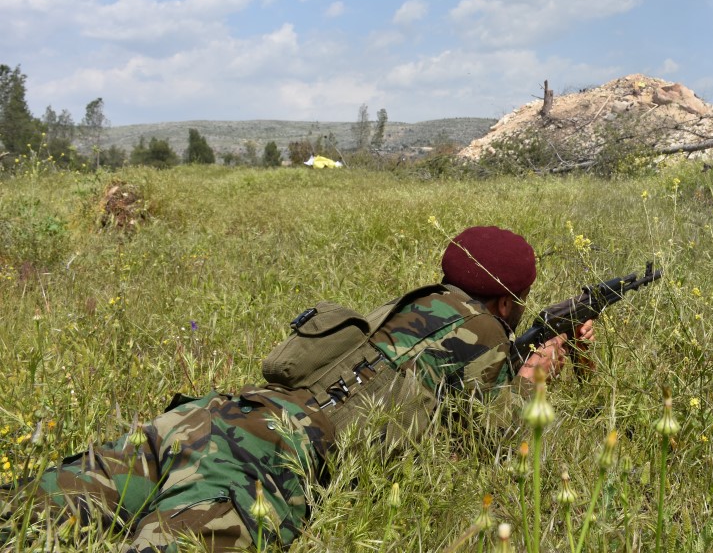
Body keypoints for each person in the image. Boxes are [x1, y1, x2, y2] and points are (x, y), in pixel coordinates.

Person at [3, 226, 591, 553]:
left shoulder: (408, 306)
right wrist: (535, 377)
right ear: (507, 302)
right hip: (265, 457)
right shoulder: (486, 332)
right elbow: (500, 442)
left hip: (214, 414)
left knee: (26, 513)